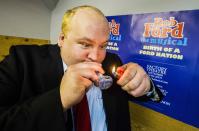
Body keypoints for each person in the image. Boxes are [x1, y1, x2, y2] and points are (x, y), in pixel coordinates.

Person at [0, 5, 161, 131]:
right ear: (62, 38)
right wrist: (59, 99)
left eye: (103, 45)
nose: (96, 57)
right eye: (85, 44)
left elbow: (149, 95)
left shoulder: (112, 60)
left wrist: (146, 86)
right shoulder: (21, 60)